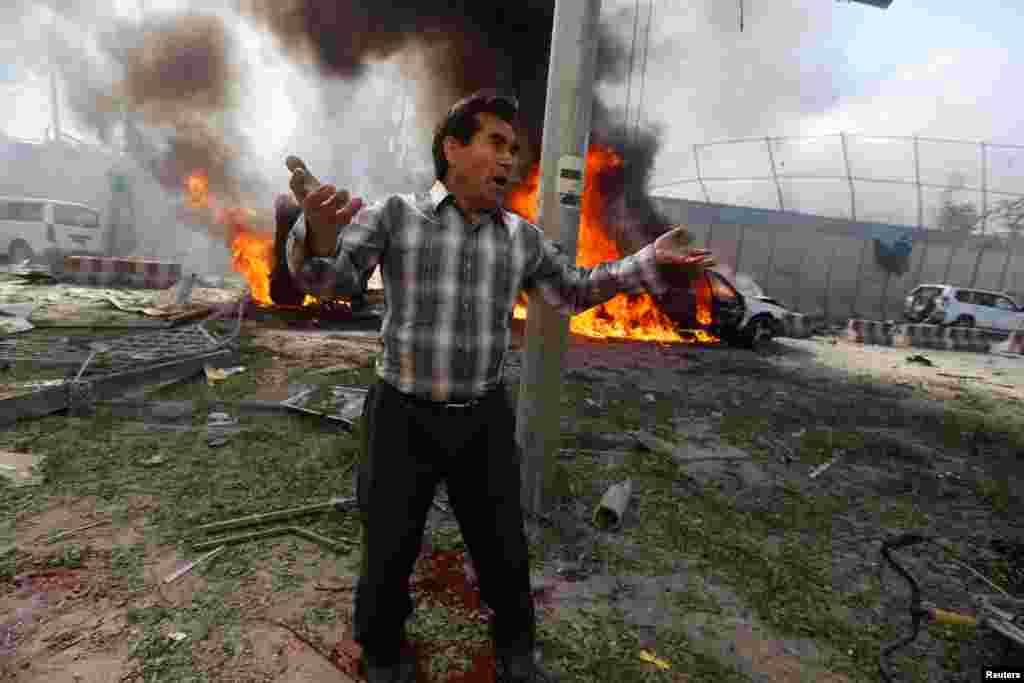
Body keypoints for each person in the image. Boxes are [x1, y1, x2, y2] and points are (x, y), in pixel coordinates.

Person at [284, 89, 716, 683]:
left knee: (503, 546)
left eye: (514, 148)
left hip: (481, 417)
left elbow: (575, 289)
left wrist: (648, 261)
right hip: (401, 415)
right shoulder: (394, 216)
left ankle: (516, 652)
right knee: (389, 545)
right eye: (495, 143)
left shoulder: (521, 237)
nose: (509, 159)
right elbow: (325, 280)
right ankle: (383, 653)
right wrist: (320, 234)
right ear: (452, 148)